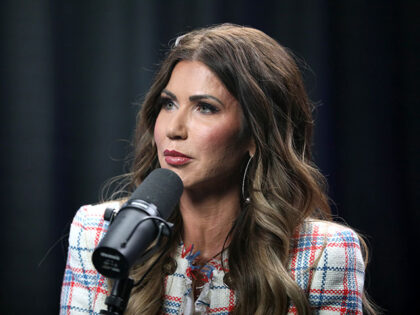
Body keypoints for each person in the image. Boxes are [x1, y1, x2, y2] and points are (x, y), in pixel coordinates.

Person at [60, 24, 375, 314]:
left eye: (205, 108)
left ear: (255, 134)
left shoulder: (324, 254)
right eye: (168, 104)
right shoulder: (97, 233)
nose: (174, 128)